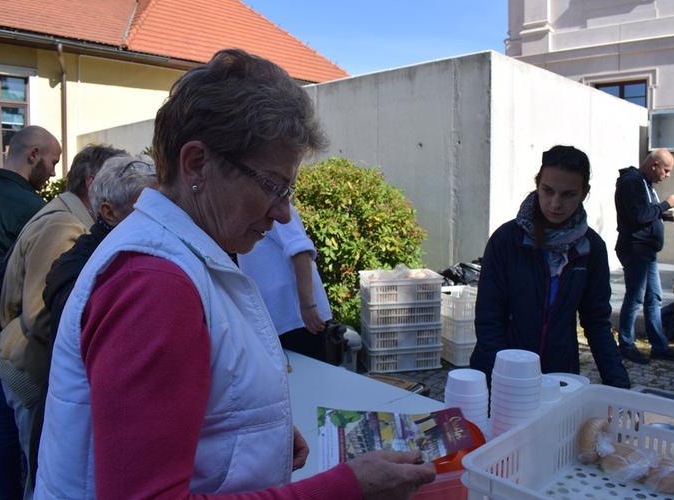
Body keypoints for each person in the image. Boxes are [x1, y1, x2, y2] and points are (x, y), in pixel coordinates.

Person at [35, 49, 434, 499]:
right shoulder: (152, 284)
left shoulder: (188, 251)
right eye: (272, 186)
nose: (284, 214)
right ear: (196, 164)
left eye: (289, 190)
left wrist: (254, 436)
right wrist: (346, 487)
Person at [0, 144, 127, 497]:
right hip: (30, 367)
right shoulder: (64, 225)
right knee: (41, 472)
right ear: (94, 182)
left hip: (28, 363)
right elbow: (42, 313)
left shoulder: (69, 217)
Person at [27, 155, 157, 488]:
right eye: (146, 208)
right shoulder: (93, 266)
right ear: (108, 213)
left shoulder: (116, 252)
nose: (160, 217)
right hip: (78, 439)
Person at [470, 145, 630, 389]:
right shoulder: (506, 240)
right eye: (548, 190)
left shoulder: (592, 248)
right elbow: (488, 318)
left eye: (568, 194)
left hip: (558, 376)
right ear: (537, 185)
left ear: (584, 193)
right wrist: (504, 377)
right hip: (499, 376)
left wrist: (619, 386)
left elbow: (597, 322)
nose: (555, 203)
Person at [0, 125, 60, 499]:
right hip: (5, 334)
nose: (54, 173)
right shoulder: (35, 211)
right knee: (17, 429)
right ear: (33, 155)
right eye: (52, 162)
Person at [614, 148, 674, 364]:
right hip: (636, 249)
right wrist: (666, 204)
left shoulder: (646, 184)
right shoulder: (632, 182)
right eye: (666, 170)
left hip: (647, 251)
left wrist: (667, 216)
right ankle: (626, 345)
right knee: (635, 297)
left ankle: (659, 346)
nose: (667, 175)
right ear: (654, 165)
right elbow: (639, 216)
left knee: (653, 298)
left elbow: (648, 214)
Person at [238, 202, 333, 362]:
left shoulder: (271, 203)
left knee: (312, 380)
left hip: (298, 319)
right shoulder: (250, 205)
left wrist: (307, 305)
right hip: (280, 319)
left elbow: (301, 250)